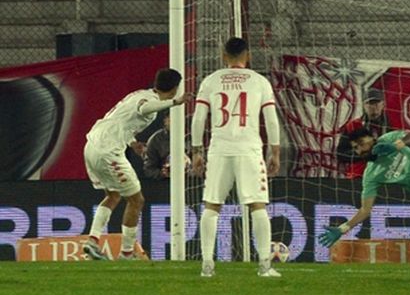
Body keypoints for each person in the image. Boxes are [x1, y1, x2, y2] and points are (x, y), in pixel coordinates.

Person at [191, 37, 281, 278]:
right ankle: (264, 265)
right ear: (247, 56)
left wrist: (196, 150)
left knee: (212, 205)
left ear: (223, 55)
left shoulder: (211, 81)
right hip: (249, 148)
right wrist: (275, 151)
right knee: (257, 205)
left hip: (219, 147)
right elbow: (271, 120)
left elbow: (199, 118)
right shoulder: (259, 81)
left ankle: (207, 265)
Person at [83, 68, 187, 260]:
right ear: (174, 89)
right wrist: (175, 103)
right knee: (136, 200)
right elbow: (143, 109)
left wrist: (133, 143)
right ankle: (127, 253)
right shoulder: (148, 101)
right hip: (108, 150)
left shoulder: (138, 93)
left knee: (113, 195)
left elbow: (122, 120)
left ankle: (92, 241)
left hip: (91, 144)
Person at [336, 88, 390, 178]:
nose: (373, 107)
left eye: (376, 103)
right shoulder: (353, 126)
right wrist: (363, 153)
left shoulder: (392, 126)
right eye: (369, 103)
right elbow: (341, 154)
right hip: (359, 176)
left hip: (384, 175)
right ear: (364, 106)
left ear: (383, 104)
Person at [143, 112, 170, 179]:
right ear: (165, 121)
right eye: (172, 117)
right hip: (166, 183)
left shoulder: (193, 135)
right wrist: (163, 174)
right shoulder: (156, 140)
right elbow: (149, 169)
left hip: (191, 183)